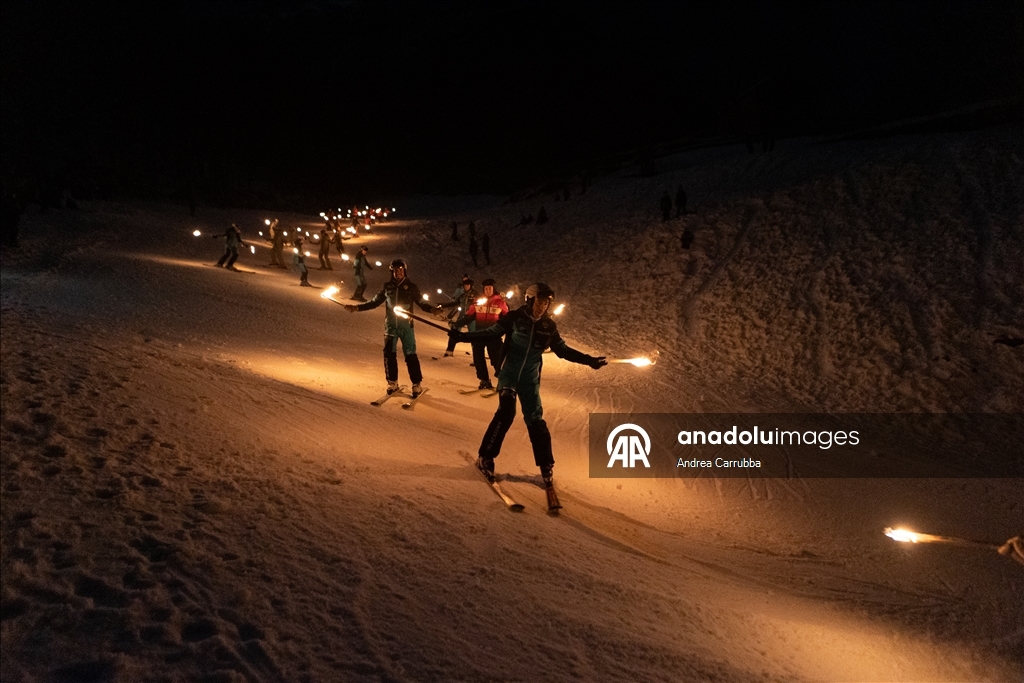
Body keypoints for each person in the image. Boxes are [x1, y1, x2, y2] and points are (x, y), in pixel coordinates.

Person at [450, 283, 606, 484]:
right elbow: (492, 332)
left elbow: (563, 350)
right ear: (530, 299)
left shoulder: (548, 327)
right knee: (506, 412)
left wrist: (589, 360)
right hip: (509, 374)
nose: (543, 306)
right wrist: (463, 336)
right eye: (540, 301)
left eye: (547, 303)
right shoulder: (515, 318)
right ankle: (485, 457)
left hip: (529, 380)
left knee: (535, 420)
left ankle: (546, 465)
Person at [345, 259, 434, 397]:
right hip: (391, 327)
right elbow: (374, 302)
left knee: (410, 355)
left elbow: (422, 303)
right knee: (389, 355)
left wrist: (433, 309)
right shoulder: (387, 287)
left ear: (405, 271)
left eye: (401, 270)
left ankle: (416, 384)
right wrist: (357, 307)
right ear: (391, 272)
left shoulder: (411, 287)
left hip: (406, 328)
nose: (398, 272)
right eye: (395, 270)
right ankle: (392, 382)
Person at [460, 278, 508, 390]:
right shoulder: (478, 301)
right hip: (479, 333)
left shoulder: (500, 302)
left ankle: (503, 381)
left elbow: (507, 318)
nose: (487, 290)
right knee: (478, 358)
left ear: (494, 289)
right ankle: (484, 380)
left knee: (497, 358)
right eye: (485, 288)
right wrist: (459, 323)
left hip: (493, 335)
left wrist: (506, 330)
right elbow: (469, 315)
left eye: (490, 288)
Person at [436, 276, 477, 357]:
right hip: (462, 316)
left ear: (471, 286)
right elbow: (455, 303)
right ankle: (449, 351)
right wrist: (443, 305)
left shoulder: (476, 295)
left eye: (467, 285)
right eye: (465, 286)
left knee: (474, 335)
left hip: (472, 318)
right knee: (454, 331)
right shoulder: (463, 295)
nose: (466, 287)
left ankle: (477, 355)